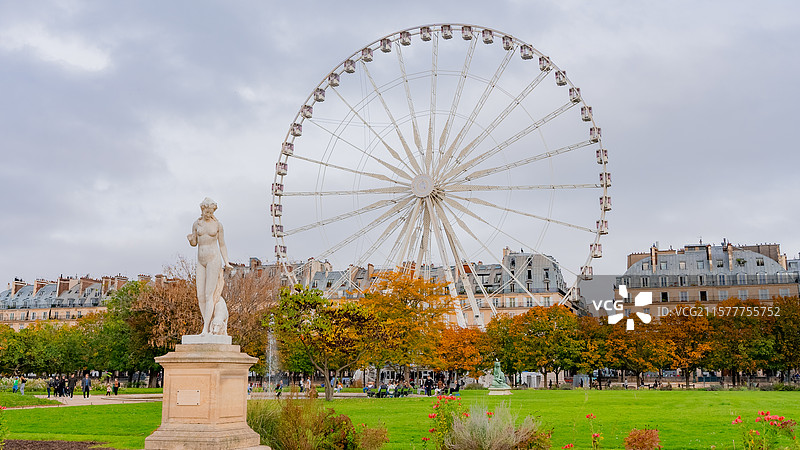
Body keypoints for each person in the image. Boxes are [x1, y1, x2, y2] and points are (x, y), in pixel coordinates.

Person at [187, 197, 232, 336]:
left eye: (211, 212)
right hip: (201, 260)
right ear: (202, 210)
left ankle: (205, 329)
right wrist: (191, 240)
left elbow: (222, 244)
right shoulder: (196, 224)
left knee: (209, 295)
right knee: (200, 295)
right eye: (207, 211)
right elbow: (195, 242)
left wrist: (226, 261)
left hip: (213, 259)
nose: (209, 214)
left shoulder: (218, 225)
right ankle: (208, 323)